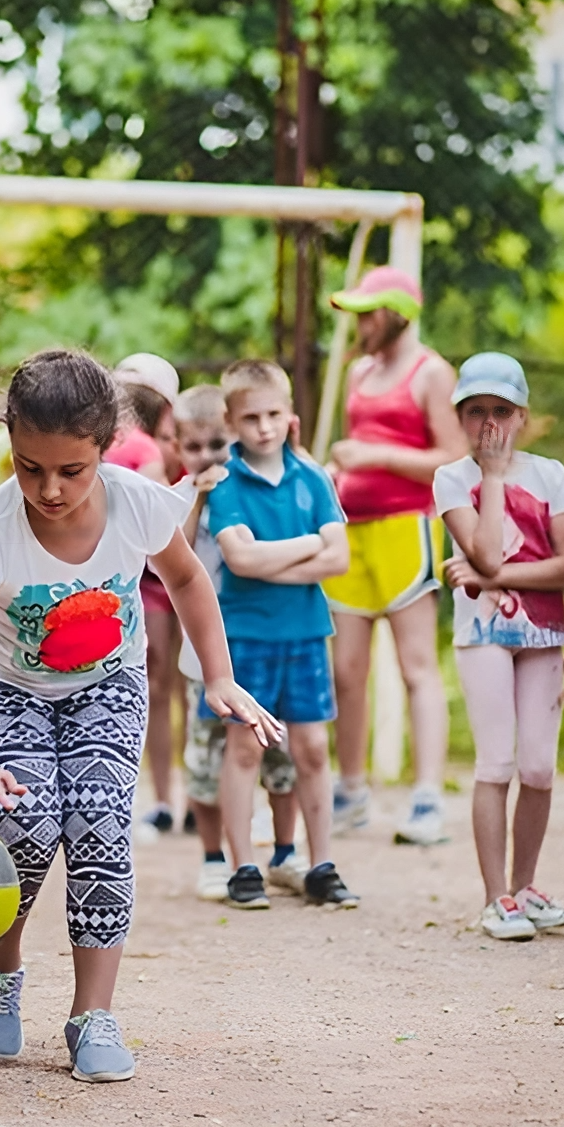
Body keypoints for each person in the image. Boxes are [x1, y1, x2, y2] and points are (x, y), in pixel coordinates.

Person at [0, 349, 280, 1084]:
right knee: (23, 827)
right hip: (6, 690)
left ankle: (93, 1013)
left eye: (70, 470)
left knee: (96, 826)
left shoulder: (137, 501)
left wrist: (217, 675)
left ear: (105, 448)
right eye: (30, 468)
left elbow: (186, 577)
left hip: (106, 687)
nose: (48, 488)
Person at [434, 352, 564, 941]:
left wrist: (488, 577)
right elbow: (489, 550)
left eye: (500, 411)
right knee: (496, 763)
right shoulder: (453, 479)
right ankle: (497, 897)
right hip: (485, 635)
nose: (489, 425)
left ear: (521, 415)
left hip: (544, 632)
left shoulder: (550, 475)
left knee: (539, 767)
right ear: (460, 417)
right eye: (475, 412)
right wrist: (491, 478)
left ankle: (525, 885)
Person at [204, 360, 358, 910]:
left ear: (290, 415)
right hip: (245, 636)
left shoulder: (313, 477)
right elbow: (239, 560)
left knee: (313, 748)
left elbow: (339, 556)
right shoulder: (225, 481)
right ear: (231, 420)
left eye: (273, 414)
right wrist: (308, 545)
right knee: (245, 748)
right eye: (251, 417)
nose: (264, 427)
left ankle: (322, 863)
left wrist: (279, 560)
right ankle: (244, 866)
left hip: (306, 632)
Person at [322, 267, 465, 844]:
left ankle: (427, 797)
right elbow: (356, 452)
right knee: (347, 671)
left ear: (396, 312)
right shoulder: (360, 370)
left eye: (368, 312)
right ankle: (351, 792)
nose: (360, 324)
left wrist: (372, 455)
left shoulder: (431, 372)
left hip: (409, 530)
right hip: (351, 533)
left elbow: (452, 455)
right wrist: (338, 470)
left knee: (415, 668)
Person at [172, 386, 300, 901]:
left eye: (218, 445)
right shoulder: (182, 496)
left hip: (263, 645)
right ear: (178, 448)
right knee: (205, 759)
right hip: (202, 657)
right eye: (194, 446)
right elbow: (170, 550)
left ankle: (286, 849)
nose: (208, 457)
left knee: (276, 752)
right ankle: (211, 856)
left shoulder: (255, 487)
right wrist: (199, 493)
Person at [109, 360, 187, 837]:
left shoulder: (112, 445)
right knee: (172, 688)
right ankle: (172, 797)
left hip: (140, 580)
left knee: (158, 690)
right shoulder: (149, 449)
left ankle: (164, 799)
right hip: (159, 580)